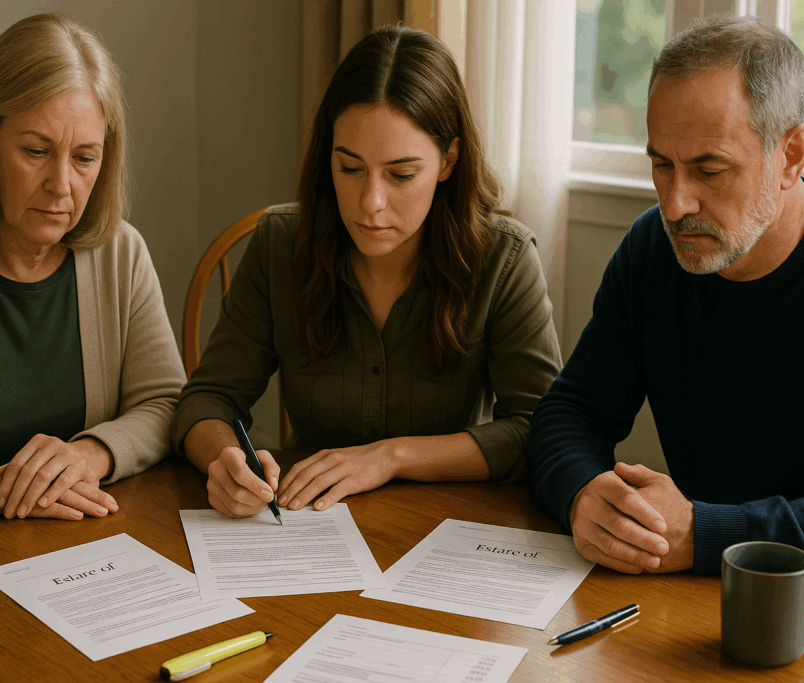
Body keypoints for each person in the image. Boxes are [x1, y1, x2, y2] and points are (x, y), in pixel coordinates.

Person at [528, 14, 804, 591]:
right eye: (661, 164)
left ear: (790, 155)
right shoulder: (651, 251)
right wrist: (582, 494)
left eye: (709, 170)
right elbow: (569, 415)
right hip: (699, 598)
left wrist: (702, 532)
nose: (674, 204)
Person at [174, 25, 562, 518]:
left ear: (448, 160)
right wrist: (223, 459)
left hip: (447, 527)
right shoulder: (280, 244)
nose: (370, 203)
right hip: (305, 523)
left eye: (401, 175)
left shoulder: (504, 261)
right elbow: (207, 399)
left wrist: (391, 456)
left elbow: (540, 429)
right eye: (350, 168)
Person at [0, 14, 185, 521]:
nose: (62, 184)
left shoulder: (122, 253)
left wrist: (89, 454)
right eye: (36, 151)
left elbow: (166, 403)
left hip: (84, 550)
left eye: (84, 158)